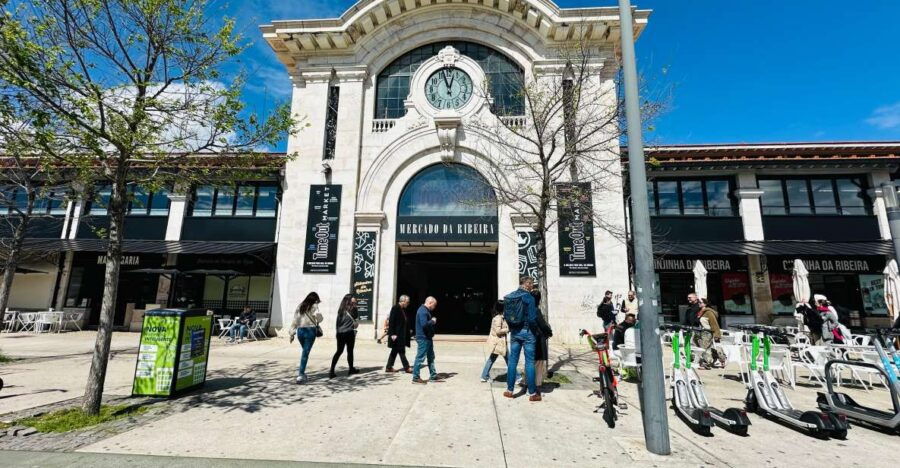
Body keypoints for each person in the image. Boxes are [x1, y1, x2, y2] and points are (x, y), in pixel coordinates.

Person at [504, 276, 541, 402]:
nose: (532, 287)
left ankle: (509, 390)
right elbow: (532, 318)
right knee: (529, 362)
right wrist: (535, 330)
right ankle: (532, 393)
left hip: (515, 332)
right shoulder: (529, 298)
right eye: (532, 284)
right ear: (529, 285)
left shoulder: (510, 296)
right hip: (528, 332)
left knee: (512, 361)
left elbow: (507, 315)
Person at [289, 292, 323, 384]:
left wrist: (292, 333)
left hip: (300, 331)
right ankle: (301, 374)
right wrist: (319, 316)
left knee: (305, 352)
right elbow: (319, 318)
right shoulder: (314, 306)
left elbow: (295, 320)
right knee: (305, 353)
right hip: (310, 331)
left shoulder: (300, 306)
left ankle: (302, 373)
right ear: (315, 299)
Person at [329, 294, 360, 378]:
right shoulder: (353, 309)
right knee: (350, 351)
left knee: (339, 351)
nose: (355, 302)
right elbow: (356, 324)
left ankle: (331, 371)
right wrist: (355, 307)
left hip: (339, 333)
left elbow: (337, 323)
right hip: (349, 333)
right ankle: (351, 369)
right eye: (353, 300)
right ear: (349, 301)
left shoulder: (341, 310)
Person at [412, 296, 439, 384]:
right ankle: (415, 378)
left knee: (431, 357)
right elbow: (424, 325)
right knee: (420, 357)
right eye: (434, 305)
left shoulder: (425, 310)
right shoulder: (423, 311)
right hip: (423, 338)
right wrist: (433, 321)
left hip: (427, 338)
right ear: (430, 303)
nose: (434, 308)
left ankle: (433, 375)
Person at [480, 300, 509, 382]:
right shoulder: (498, 318)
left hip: (498, 343)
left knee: (492, 359)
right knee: (509, 360)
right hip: (499, 343)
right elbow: (498, 331)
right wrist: (507, 329)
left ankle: (484, 375)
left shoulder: (499, 317)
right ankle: (517, 377)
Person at [531, 289, 553, 388]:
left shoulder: (526, 309)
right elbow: (543, 326)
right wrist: (549, 332)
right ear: (539, 299)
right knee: (538, 364)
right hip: (538, 340)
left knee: (530, 363)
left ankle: (529, 384)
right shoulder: (536, 310)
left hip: (528, 339)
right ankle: (537, 386)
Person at [385, 295, 412, 373]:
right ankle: (407, 367)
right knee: (401, 351)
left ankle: (389, 367)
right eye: (407, 302)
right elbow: (392, 321)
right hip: (396, 334)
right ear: (402, 301)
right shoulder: (395, 308)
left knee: (395, 351)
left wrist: (408, 329)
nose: (408, 304)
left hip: (401, 334)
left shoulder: (402, 309)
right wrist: (392, 334)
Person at [696, 298, 725, 369]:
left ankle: (708, 363)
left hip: (708, 332)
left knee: (705, 348)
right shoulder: (701, 312)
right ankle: (714, 361)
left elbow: (714, 324)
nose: (699, 303)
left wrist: (717, 334)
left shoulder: (709, 312)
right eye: (698, 302)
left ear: (705, 304)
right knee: (706, 348)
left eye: (700, 302)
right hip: (702, 332)